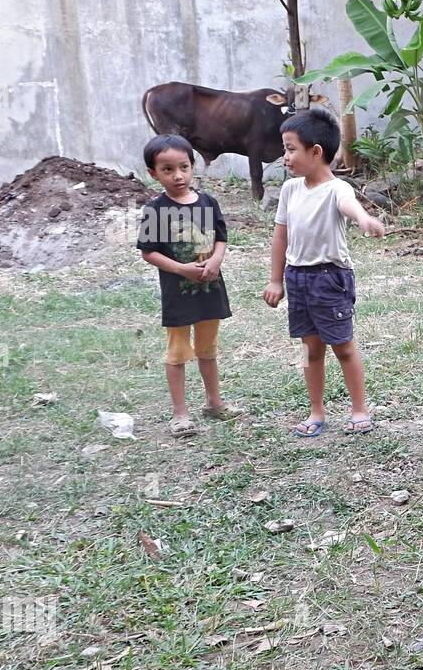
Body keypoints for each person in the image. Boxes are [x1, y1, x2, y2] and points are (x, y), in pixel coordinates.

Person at [261, 106, 386, 436]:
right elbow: (280, 236)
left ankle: (359, 409)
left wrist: (363, 219)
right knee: (311, 349)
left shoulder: (337, 189)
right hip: (297, 277)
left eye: (290, 149)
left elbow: (349, 206)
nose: (285, 157)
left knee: (343, 346)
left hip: (329, 278)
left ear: (316, 152)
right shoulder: (290, 190)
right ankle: (317, 412)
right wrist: (276, 279)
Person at [136, 134, 245, 438]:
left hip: (210, 290)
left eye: (183, 166)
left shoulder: (208, 202)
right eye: (168, 169)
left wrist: (216, 261)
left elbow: (221, 238)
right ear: (153, 173)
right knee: (177, 353)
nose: (178, 175)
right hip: (179, 295)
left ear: (193, 166)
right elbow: (149, 252)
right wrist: (181, 269)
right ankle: (180, 414)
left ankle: (214, 402)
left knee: (208, 350)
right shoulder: (156, 210)